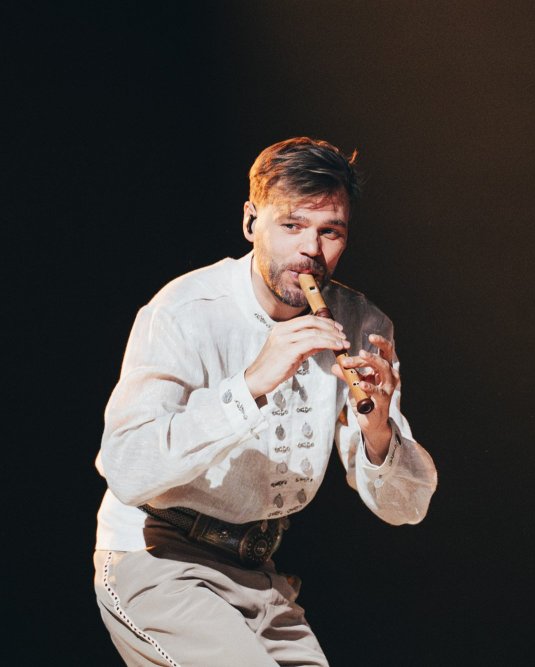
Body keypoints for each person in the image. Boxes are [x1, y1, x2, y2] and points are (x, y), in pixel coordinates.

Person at [93, 136, 437, 666]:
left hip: (260, 574)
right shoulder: (186, 310)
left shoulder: (363, 324)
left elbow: (406, 509)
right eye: (292, 225)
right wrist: (251, 383)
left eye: (331, 232)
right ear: (252, 221)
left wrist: (378, 428)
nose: (311, 251)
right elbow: (127, 468)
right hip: (160, 559)